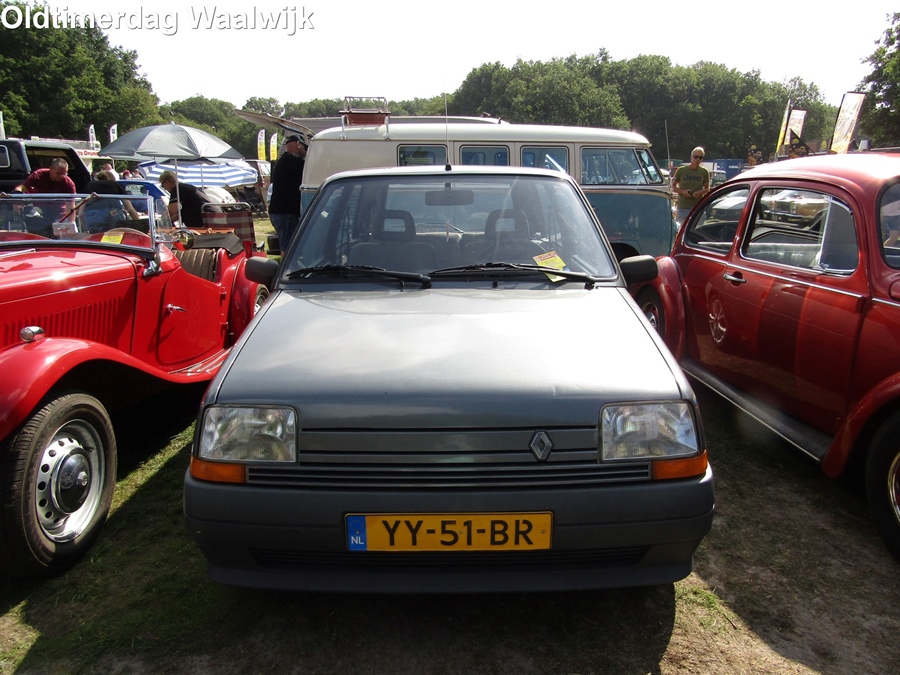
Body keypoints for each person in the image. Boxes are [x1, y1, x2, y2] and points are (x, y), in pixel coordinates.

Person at [268, 133, 306, 247]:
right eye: (305, 148)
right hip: (286, 213)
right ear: (298, 144)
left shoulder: (284, 160)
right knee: (288, 247)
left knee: (287, 245)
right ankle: (285, 260)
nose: (306, 152)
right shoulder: (294, 161)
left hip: (278, 211)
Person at [672, 147, 710, 227]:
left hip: (698, 207)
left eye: (700, 157)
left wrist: (699, 192)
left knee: (698, 229)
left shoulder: (704, 172)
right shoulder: (681, 170)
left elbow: (707, 189)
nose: (698, 159)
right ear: (691, 157)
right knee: (681, 229)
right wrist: (683, 192)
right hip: (683, 207)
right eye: (696, 157)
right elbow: (673, 187)